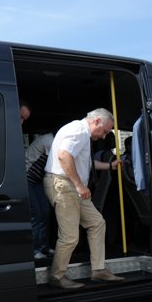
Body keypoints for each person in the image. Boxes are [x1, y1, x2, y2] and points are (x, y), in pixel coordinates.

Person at [44, 108, 124, 290]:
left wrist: (109, 166)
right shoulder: (78, 131)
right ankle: (57, 276)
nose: (104, 137)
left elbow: (84, 162)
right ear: (96, 121)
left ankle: (98, 270)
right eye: (104, 131)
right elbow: (64, 157)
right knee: (70, 236)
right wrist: (80, 186)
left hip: (71, 186)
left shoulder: (81, 133)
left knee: (97, 223)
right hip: (65, 186)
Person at [25, 132, 54, 259]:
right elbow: (55, 163)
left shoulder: (52, 140)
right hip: (27, 179)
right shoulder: (49, 140)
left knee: (45, 212)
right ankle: (35, 250)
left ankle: (44, 247)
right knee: (36, 214)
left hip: (38, 181)